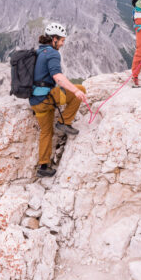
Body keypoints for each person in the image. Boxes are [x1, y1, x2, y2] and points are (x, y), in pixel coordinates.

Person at [29, 22, 87, 177]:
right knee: (81, 89)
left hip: (36, 102)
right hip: (47, 99)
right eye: (61, 40)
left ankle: (43, 167)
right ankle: (64, 122)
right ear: (54, 39)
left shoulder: (39, 51)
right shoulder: (53, 53)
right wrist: (75, 91)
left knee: (46, 132)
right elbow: (58, 77)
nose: (62, 44)